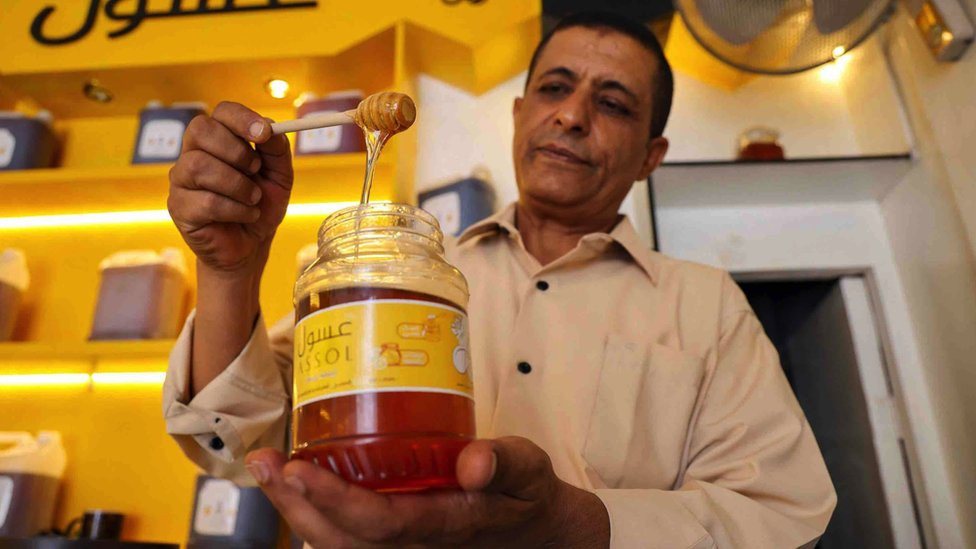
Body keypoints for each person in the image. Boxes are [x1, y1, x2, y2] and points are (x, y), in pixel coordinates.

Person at [163, 11, 835, 548]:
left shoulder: (706, 305)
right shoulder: (399, 273)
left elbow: (782, 518)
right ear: (519, 115)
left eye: (613, 103)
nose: (571, 115)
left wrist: (573, 525)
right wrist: (229, 270)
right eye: (554, 88)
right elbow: (239, 440)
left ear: (650, 157)